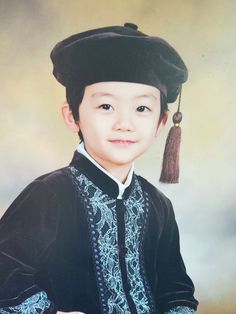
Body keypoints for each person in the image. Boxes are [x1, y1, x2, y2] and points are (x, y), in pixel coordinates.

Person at [0, 23, 198, 314]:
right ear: (72, 117)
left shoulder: (158, 205)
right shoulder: (49, 194)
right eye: (106, 106)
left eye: (142, 109)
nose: (124, 123)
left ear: (161, 123)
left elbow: (175, 289)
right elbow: (6, 277)